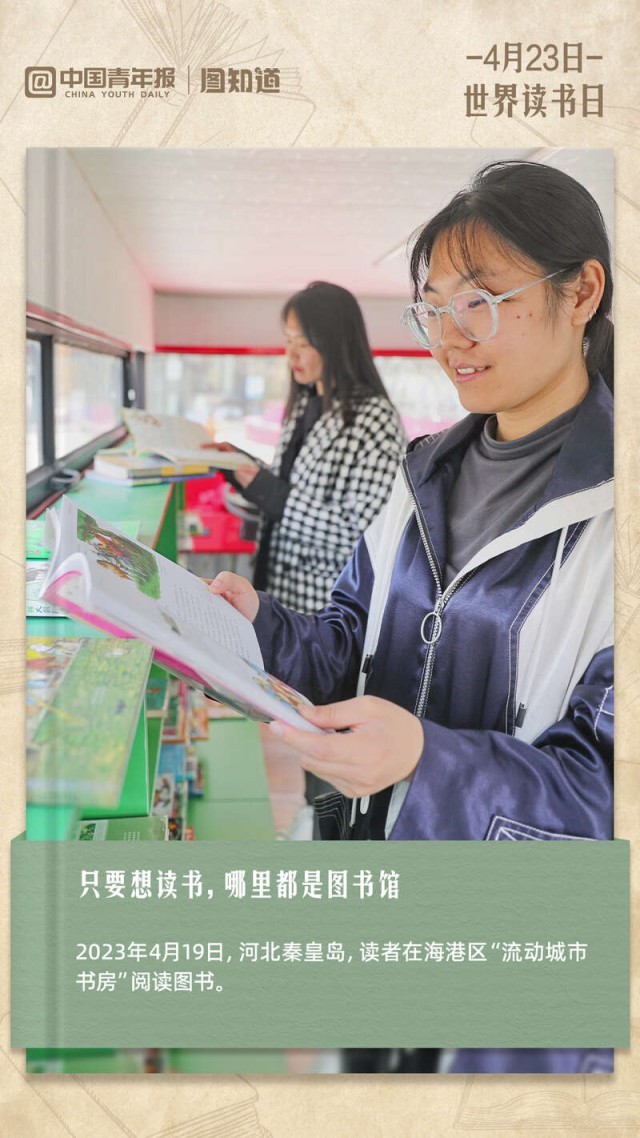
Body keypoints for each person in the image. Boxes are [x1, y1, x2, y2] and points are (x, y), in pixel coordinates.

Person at [209, 160, 614, 1075]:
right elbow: (347, 641)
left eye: (480, 301)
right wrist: (256, 624)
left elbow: (604, 792)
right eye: (431, 309)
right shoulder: (420, 474)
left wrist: (426, 759)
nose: (449, 337)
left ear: (581, 291)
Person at [220, 280, 407, 614]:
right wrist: (240, 467)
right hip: (278, 584)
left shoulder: (375, 419)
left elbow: (363, 534)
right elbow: (294, 484)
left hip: (322, 603)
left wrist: (270, 493)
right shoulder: (306, 402)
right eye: (288, 340)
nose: (291, 354)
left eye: (304, 343)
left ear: (337, 345)